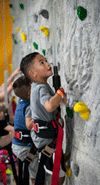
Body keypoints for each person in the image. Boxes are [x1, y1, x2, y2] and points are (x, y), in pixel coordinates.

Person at [20, 52, 67, 185]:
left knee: (55, 171)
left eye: (46, 60)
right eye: (42, 62)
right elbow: (50, 106)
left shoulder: (36, 87)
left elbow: (54, 106)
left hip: (42, 137)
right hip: (47, 139)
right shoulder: (42, 88)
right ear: (33, 74)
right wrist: (59, 93)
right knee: (59, 175)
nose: (47, 64)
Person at [12, 75, 39, 185]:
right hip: (25, 147)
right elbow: (28, 125)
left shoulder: (21, 101)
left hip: (18, 144)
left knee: (31, 169)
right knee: (36, 171)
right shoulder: (29, 106)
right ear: (29, 93)